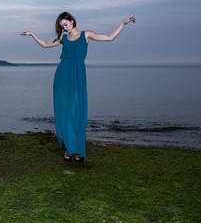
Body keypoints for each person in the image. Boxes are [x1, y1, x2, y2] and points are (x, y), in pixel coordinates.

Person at [21, 12, 136, 162]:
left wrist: (123, 23)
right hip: (62, 76)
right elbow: (45, 44)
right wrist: (32, 34)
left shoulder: (86, 35)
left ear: (72, 21)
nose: (64, 27)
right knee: (63, 113)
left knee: (76, 112)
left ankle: (79, 150)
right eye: (62, 26)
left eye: (66, 24)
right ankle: (68, 149)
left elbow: (109, 37)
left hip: (77, 76)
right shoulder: (63, 38)